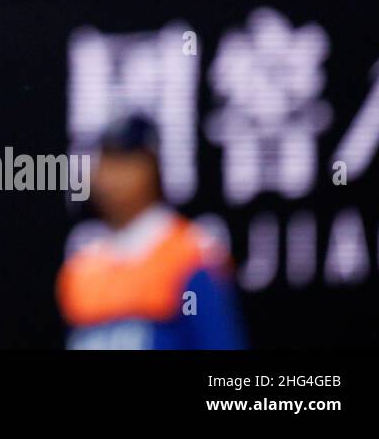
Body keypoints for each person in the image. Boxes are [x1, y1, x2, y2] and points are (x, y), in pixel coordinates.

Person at [57, 117, 246, 350]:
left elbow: (216, 343)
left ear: (153, 167)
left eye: (125, 162)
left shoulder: (190, 259)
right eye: (105, 163)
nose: (111, 178)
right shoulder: (81, 269)